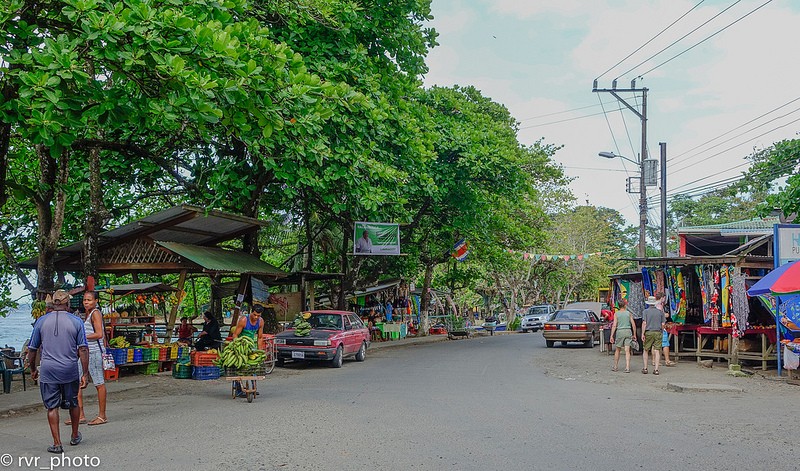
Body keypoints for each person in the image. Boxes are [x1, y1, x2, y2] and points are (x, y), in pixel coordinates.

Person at [26, 289, 89, 453]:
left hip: (48, 370)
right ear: (68, 304)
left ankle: (57, 443)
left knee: (51, 407)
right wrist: (85, 373)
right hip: (69, 369)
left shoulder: (41, 321)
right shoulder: (76, 322)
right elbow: (83, 349)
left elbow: (32, 349)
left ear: (53, 304)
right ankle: (75, 436)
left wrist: (33, 369)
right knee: (73, 402)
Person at [69, 291, 109, 427]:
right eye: (85, 300)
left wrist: (82, 338)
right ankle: (80, 415)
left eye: (89, 300)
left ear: (96, 301)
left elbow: (99, 334)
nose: (86, 302)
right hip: (85, 352)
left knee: (99, 383)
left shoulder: (95, 313)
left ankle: (102, 415)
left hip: (94, 352)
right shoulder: (88, 313)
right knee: (77, 380)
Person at [231, 305, 265, 398]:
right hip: (241, 344)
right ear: (251, 312)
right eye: (254, 315)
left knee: (252, 366)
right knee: (239, 367)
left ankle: (252, 387)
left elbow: (260, 337)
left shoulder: (261, 321)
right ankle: (239, 389)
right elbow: (235, 335)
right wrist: (237, 346)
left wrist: (259, 351)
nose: (256, 317)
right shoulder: (243, 320)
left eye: (258, 315)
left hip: (251, 345)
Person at [609, 299, 637, 373]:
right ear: (625, 305)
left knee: (618, 349)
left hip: (620, 332)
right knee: (627, 350)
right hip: (628, 331)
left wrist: (611, 335)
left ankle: (615, 366)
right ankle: (627, 367)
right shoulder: (629, 313)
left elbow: (614, 325)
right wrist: (634, 334)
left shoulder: (616, 314)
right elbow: (633, 325)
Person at [641, 295, 664, 375]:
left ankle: (645, 368)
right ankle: (656, 369)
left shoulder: (645, 312)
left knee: (646, 349)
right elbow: (663, 324)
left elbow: (644, 323)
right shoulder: (660, 312)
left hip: (649, 332)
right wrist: (661, 331)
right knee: (657, 350)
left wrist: (642, 333)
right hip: (658, 331)